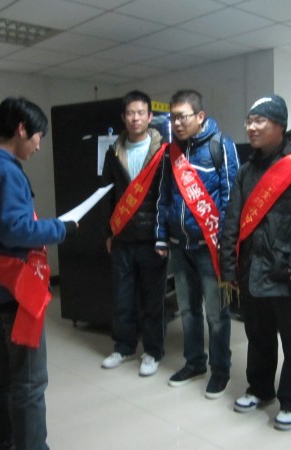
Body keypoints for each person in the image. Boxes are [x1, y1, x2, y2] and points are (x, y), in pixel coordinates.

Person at [0, 97, 77, 450]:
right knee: (30, 382)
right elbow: (15, 230)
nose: (38, 146)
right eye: (38, 137)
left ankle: (4, 443)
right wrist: (62, 228)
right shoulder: (3, 171)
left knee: (7, 374)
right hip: (15, 287)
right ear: (22, 129)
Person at [220, 95, 291, 430]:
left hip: (289, 274)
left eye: (260, 121)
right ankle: (259, 388)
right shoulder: (246, 171)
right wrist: (230, 268)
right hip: (251, 271)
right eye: (249, 120)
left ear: (279, 126)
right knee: (258, 336)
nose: (251, 127)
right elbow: (233, 222)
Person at [155, 89, 239, 399]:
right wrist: (161, 235)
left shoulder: (221, 146)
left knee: (216, 314)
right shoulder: (171, 152)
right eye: (173, 118)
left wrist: (226, 244)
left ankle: (220, 370)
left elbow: (231, 199)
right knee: (188, 310)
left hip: (209, 247)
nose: (177, 123)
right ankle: (194, 363)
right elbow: (164, 195)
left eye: (182, 117)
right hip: (179, 246)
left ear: (200, 116)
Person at [100, 90, 169, 377]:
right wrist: (108, 232)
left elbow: (168, 196)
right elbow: (108, 195)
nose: (135, 118)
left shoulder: (163, 152)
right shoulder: (113, 152)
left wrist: (164, 235)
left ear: (150, 117)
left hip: (153, 239)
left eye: (141, 113)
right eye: (130, 113)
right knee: (122, 298)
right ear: (123, 117)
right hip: (122, 238)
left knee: (152, 300)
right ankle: (124, 347)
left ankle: (153, 351)